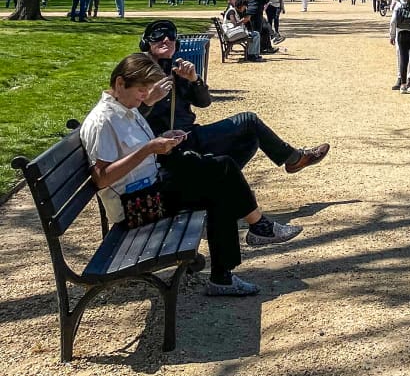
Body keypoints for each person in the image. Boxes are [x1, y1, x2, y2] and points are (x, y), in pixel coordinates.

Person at [82, 53, 303, 296]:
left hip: (151, 185)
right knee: (220, 175)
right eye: (141, 91)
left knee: (220, 171)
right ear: (120, 83)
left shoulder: (126, 108)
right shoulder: (103, 121)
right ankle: (256, 230)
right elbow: (101, 178)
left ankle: (227, 272)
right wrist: (149, 148)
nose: (144, 97)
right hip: (134, 207)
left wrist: (164, 139)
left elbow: (138, 149)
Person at [140, 19, 329, 173]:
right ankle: (295, 159)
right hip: (166, 144)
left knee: (250, 139)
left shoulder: (177, 69)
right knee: (249, 120)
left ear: (176, 44)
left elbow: (204, 103)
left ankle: (224, 186)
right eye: (157, 35)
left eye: (170, 36)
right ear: (146, 43)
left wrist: (195, 80)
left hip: (188, 135)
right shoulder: (138, 71)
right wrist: (150, 99)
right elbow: (123, 113)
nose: (165, 39)